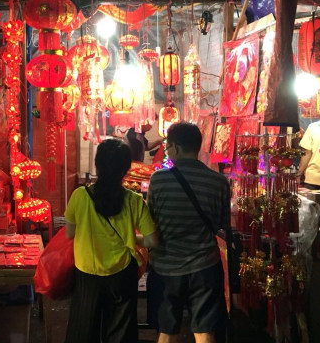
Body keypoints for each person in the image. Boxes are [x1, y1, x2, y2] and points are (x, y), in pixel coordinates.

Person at [64, 138, 158, 343]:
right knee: (120, 333)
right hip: (122, 274)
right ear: (126, 168)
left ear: (97, 164)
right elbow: (152, 241)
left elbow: (69, 234)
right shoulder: (134, 200)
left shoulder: (79, 196)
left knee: (83, 329)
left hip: (86, 273)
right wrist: (131, 238)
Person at [148, 123, 230, 343]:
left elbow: (151, 221)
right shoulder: (219, 182)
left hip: (166, 267)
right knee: (205, 331)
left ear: (174, 147)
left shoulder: (158, 180)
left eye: (167, 146)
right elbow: (222, 224)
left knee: (166, 331)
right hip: (204, 266)